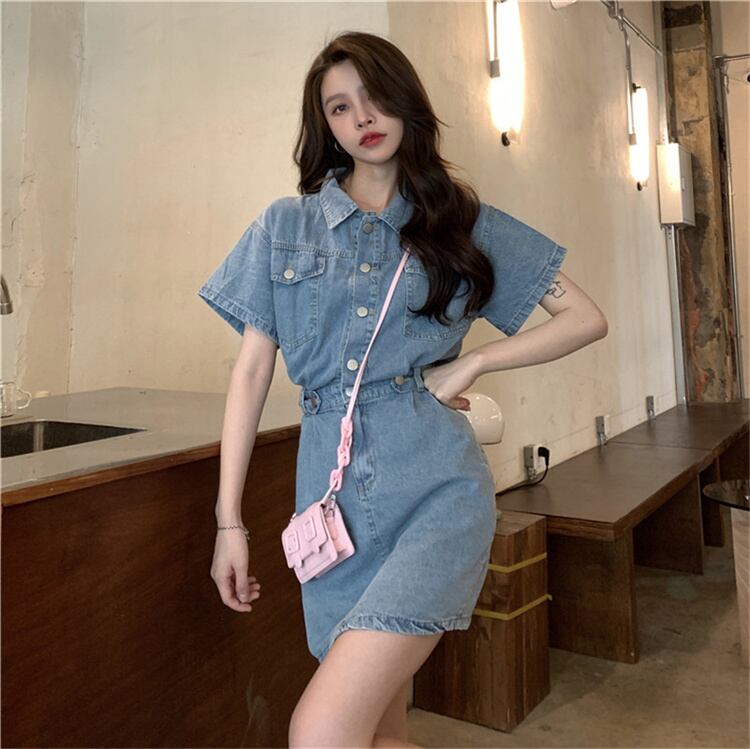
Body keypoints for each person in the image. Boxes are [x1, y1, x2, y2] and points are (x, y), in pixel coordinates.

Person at [197, 30, 607, 749]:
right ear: (325, 126)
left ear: (405, 100)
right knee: (369, 730)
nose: (362, 117)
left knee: (320, 732)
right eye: (339, 107)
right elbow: (252, 373)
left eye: (374, 96)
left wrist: (477, 362)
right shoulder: (284, 228)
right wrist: (229, 521)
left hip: (436, 491)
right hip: (330, 506)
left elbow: (585, 317)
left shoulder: (460, 223)